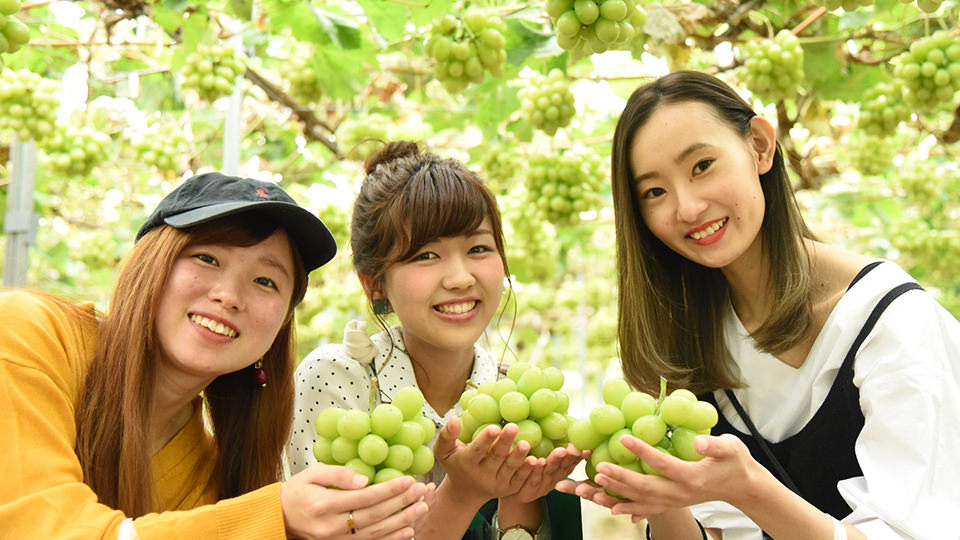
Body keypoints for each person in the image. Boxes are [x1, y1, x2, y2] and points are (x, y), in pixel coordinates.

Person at [556, 71, 960, 540]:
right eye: (655, 192)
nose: (686, 208)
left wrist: (750, 489)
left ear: (760, 147)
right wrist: (657, 497)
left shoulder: (890, 320)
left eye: (702, 165)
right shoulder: (690, 341)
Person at [0, 171, 432, 540]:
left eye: (266, 282)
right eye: (207, 258)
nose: (228, 296)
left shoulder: (213, 471)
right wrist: (272, 517)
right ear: (148, 265)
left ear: (281, 325)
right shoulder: (27, 333)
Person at [288, 141, 585, 540]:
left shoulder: (517, 402)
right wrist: (462, 494)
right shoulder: (335, 380)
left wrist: (520, 497)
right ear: (374, 282)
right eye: (426, 255)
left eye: (478, 248)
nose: (460, 277)